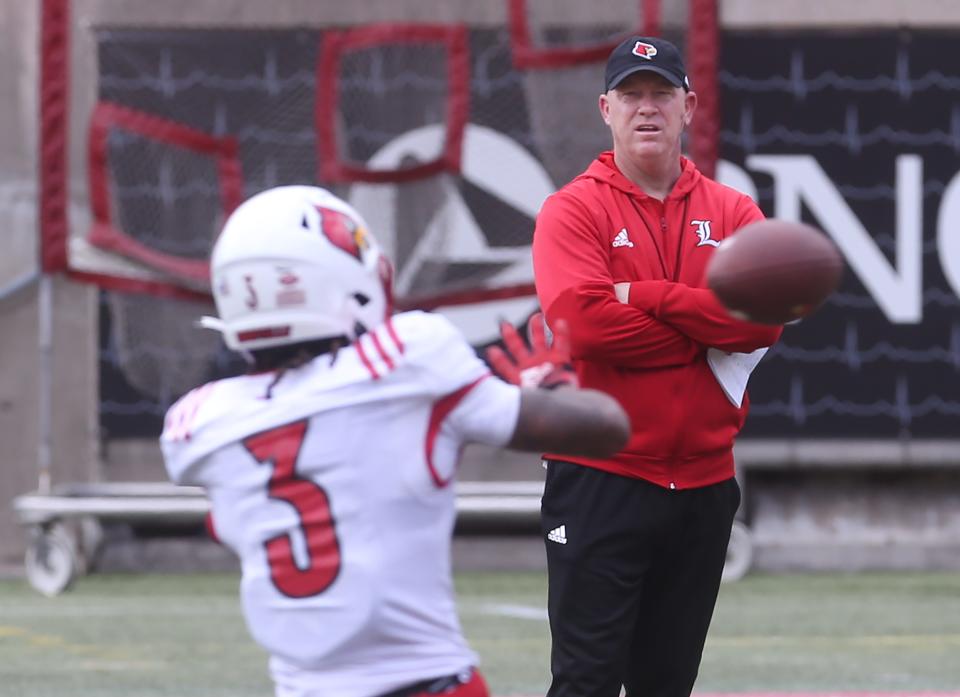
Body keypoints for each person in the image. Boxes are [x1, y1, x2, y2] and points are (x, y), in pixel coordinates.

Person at [159, 185, 630, 697]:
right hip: (427, 684)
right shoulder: (406, 361)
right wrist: (553, 386)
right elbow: (606, 427)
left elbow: (233, 520)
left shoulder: (202, 423)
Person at [531, 36, 784, 697]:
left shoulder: (732, 212)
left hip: (702, 487)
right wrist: (703, 331)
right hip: (600, 480)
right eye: (632, 95)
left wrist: (648, 297)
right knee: (585, 680)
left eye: (661, 93)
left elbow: (764, 321)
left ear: (688, 105)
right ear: (605, 108)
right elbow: (582, 325)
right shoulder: (573, 209)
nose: (648, 108)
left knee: (667, 684)